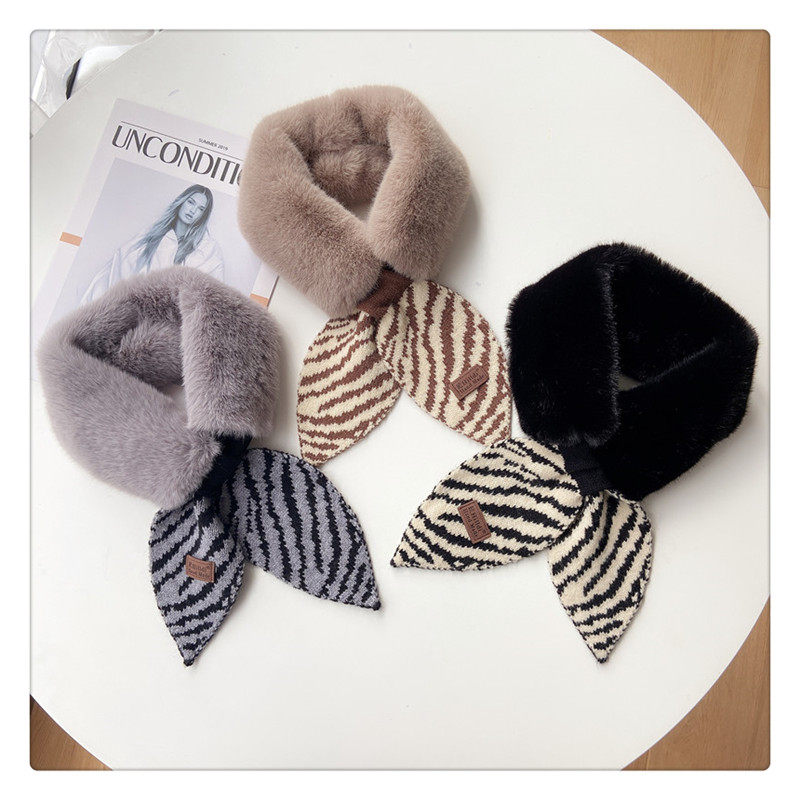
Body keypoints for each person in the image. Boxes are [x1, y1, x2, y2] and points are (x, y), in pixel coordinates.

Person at [81, 184, 223, 303]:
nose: (193, 210)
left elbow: (209, 291)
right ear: (182, 202)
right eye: (191, 202)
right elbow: (123, 262)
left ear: (203, 215)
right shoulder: (154, 234)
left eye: (200, 209)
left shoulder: (206, 248)